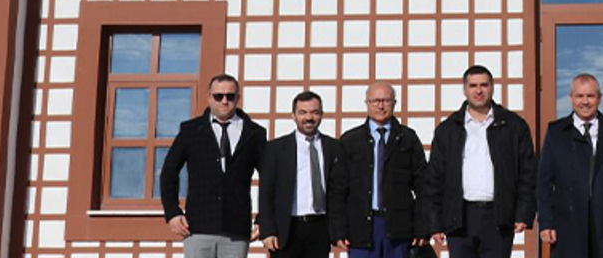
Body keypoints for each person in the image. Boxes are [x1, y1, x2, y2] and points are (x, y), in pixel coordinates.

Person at [426, 65, 537, 258]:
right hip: (459, 217)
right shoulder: (448, 129)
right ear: (465, 89)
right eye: (473, 86)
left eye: (484, 85)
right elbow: (434, 178)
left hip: (498, 216)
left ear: (492, 87)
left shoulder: (513, 126)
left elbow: (528, 173)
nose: (479, 91)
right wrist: (434, 223)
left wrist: (523, 213)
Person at [161, 73, 267, 258]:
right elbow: (169, 172)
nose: (224, 101)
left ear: (238, 98)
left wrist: (263, 218)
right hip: (197, 227)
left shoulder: (255, 133)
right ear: (209, 98)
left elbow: (269, 178)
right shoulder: (191, 130)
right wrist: (172, 212)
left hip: (237, 229)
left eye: (230, 96)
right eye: (218, 96)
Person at [537, 73, 603, 258]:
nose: (585, 102)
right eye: (579, 96)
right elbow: (544, 183)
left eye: (590, 96)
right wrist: (546, 222)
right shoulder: (556, 132)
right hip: (567, 223)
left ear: (599, 98)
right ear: (571, 98)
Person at [330, 82, 429, 258]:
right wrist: (338, 230)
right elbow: (338, 190)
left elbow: (423, 186)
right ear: (367, 103)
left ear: (394, 103)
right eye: (375, 101)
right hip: (361, 228)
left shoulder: (408, 138)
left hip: (399, 228)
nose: (380, 106)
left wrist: (422, 226)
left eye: (386, 101)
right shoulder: (350, 141)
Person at [259, 91, 343, 258]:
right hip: (287, 228)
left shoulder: (333, 147)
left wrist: (339, 230)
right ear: (293, 115)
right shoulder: (276, 149)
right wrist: (267, 231)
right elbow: (266, 193)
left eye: (314, 112)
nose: (309, 118)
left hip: (320, 228)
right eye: (302, 112)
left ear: (322, 115)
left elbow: (338, 193)